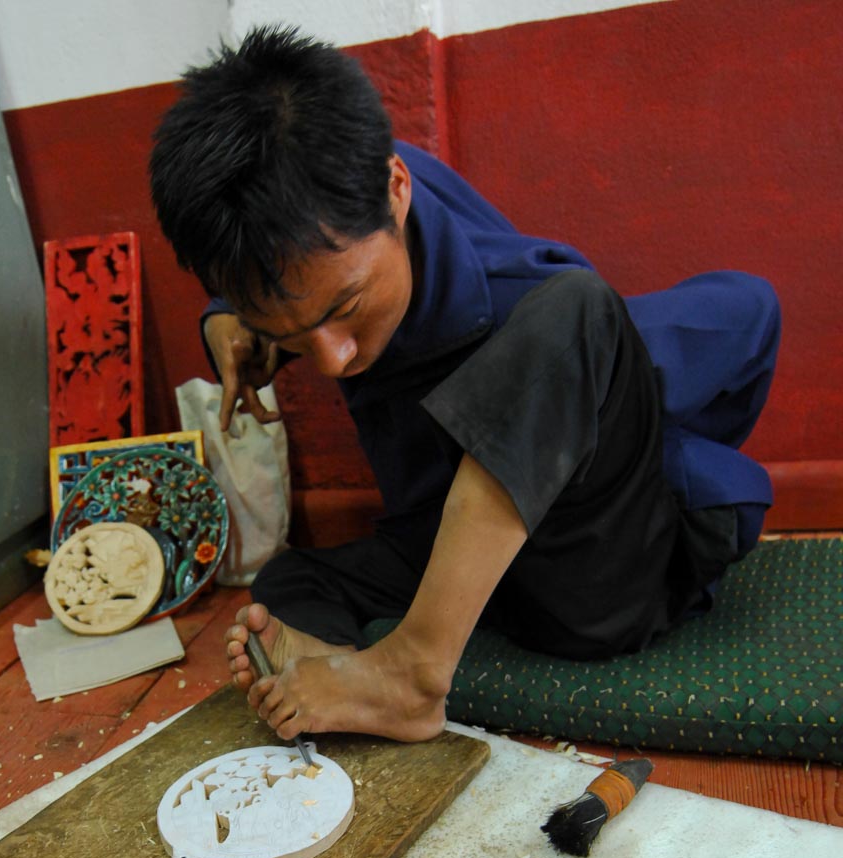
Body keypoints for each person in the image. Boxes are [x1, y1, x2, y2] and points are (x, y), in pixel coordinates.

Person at [148, 25, 780, 744]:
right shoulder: (329, 196)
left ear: (396, 189)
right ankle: (331, 669)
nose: (332, 361)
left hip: (583, 580)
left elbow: (749, 311)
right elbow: (270, 274)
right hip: (437, 542)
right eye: (293, 333)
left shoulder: (532, 305)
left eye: (345, 311)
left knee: (577, 308)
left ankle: (412, 672)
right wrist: (229, 324)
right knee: (288, 590)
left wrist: (588, 408)